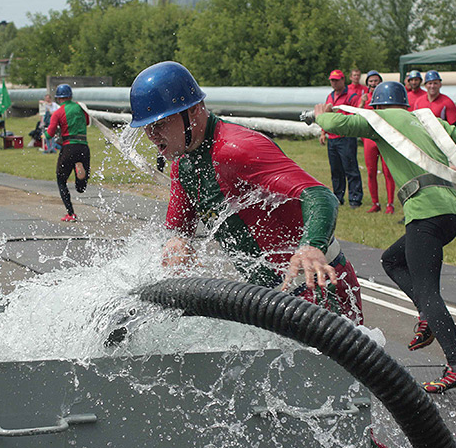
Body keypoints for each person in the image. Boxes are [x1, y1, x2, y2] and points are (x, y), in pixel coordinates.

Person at [129, 61, 364, 324]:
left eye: (160, 124)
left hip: (317, 285)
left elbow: (319, 196)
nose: (151, 135)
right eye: (146, 127)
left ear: (193, 111)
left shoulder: (238, 148)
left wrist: (311, 246)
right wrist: (177, 241)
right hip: (268, 299)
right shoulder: (183, 164)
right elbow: (180, 229)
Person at [315, 81, 456, 393]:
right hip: (451, 213)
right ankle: (427, 315)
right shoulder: (426, 120)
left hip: (425, 215)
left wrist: (319, 115)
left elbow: (340, 124)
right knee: (392, 260)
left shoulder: (382, 119)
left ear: (378, 105)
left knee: (428, 291)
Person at [45, 84, 90, 222]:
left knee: (61, 180)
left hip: (68, 148)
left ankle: (71, 213)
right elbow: (87, 122)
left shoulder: (58, 112)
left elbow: (50, 133)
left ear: (59, 98)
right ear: (70, 96)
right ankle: (79, 173)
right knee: (81, 188)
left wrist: (44, 134)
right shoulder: (80, 107)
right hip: (83, 146)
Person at [320, 69, 363, 208]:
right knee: (336, 170)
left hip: (346, 137)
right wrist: (323, 132)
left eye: (336, 80)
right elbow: (326, 116)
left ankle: (355, 199)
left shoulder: (352, 96)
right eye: (332, 80)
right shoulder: (330, 96)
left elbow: (356, 114)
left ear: (343, 80)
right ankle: (338, 197)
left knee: (350, 169)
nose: (334, 83)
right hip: (332, 137)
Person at [360, 70, 395, 215]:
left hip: (384, 137)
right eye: (371, 81)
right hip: (370, 139)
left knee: (388, 172)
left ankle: (390, 204)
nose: (373, 83)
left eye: (376, 81)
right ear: (367, 83)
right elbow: (358, 116)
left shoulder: (387, 96)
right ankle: (375, 203)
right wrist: (362, 103)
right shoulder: (364, 98)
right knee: (371, 172)